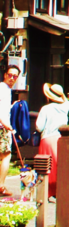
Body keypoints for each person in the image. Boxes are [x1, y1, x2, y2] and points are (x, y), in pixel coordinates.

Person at [36, 83, 69, 199]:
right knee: (59, 165)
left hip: (48, 138)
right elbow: (67, 103)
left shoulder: (46, 109)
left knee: (47, 166)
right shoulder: (65, 107)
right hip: (61, 139)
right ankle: (60, 191)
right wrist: (62, 96)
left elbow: (39, 127)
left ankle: (48, 193)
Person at [0, 65, 18, 197]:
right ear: (5, 74)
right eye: (10, 75)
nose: (12, 78)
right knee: (6, 155)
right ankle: (1, 185)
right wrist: (6, 124)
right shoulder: (3, 88)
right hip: (2, 127)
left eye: (15, 76)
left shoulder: (7, 90)